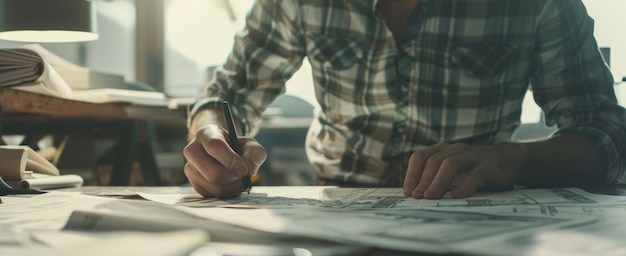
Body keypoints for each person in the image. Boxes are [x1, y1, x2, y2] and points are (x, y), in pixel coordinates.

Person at [183, 0, 626, 199]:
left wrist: (512, 159)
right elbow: (227, 96)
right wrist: (211, 135)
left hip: (476, 209)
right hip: (332, 210)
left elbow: (608, 131)